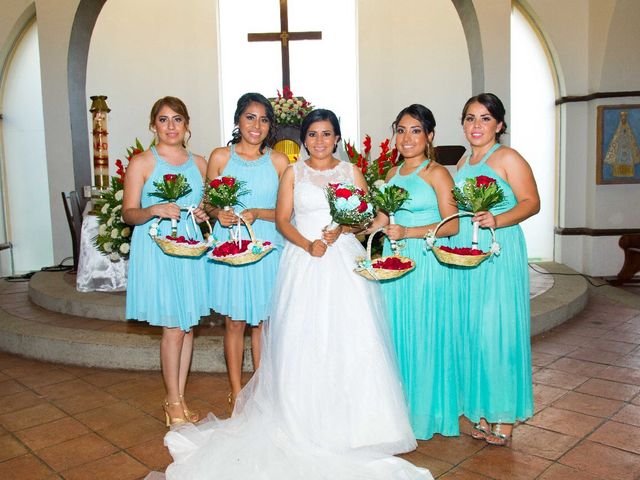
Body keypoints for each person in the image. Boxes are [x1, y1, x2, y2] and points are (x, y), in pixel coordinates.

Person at [161, 109, 432, 479]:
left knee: (351, 338)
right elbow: (284, 219)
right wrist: (308, 245)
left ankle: (361, 423)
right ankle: (297, 418)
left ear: (337, 138)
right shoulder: (293, 172)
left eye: (327, 134)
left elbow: (368, 218)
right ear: (304, 139)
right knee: (301, 339)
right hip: (303, 261)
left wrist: (347, 228)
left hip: (342, 262)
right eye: (313, 135)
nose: (320, 141)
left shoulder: (351, 173)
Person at [366, 104, 460, 440]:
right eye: (401, 130)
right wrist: (354, 225)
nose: (407, 138)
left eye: (416, 130)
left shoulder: (437, 173)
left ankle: (424, 414)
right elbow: (383, 220)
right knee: (396, 336)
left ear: (430, 135)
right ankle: (398, 413)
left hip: (425, 263)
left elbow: (452, 225)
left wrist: (410, 232)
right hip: (395, 265)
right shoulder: (391, 174)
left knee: (423, 336)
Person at [452, 93, 540, 446]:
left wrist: (497, 219)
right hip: (468, 254)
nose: (476, 126)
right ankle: (481, 409)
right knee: (474, 332)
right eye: (470, 118)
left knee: (498, 331)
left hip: (498, 250)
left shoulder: (507, 157)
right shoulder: (462, 163)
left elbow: (532, 202)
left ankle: (504, 414)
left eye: (485, 119)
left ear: (499, 125)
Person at [123, 96, 210, 427]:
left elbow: (206, 210)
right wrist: (153, 210)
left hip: (189, 248)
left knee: (188, 327)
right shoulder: (142, 162)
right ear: (152, 125)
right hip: (157, 249)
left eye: (177, 119)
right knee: (173, 328)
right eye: (163, 120)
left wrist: (204, 214)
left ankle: (180, 397)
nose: (171, 126)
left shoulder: (200, 164)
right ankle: (172, 401)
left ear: (187, 125)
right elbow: (129, 213)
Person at [206, 93, 289, 408]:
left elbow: (287, 210)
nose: (257, 125)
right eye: (250, 117)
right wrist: (218, 214)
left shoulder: (279, 162)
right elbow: (210, 201)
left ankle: (264, 390)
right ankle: (238, 391)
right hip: (232, 245)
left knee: (264, 322)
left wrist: (259, 212)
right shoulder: (219, 157)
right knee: (235, 322)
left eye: (264, 119)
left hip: (267, 245)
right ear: (238, 120)